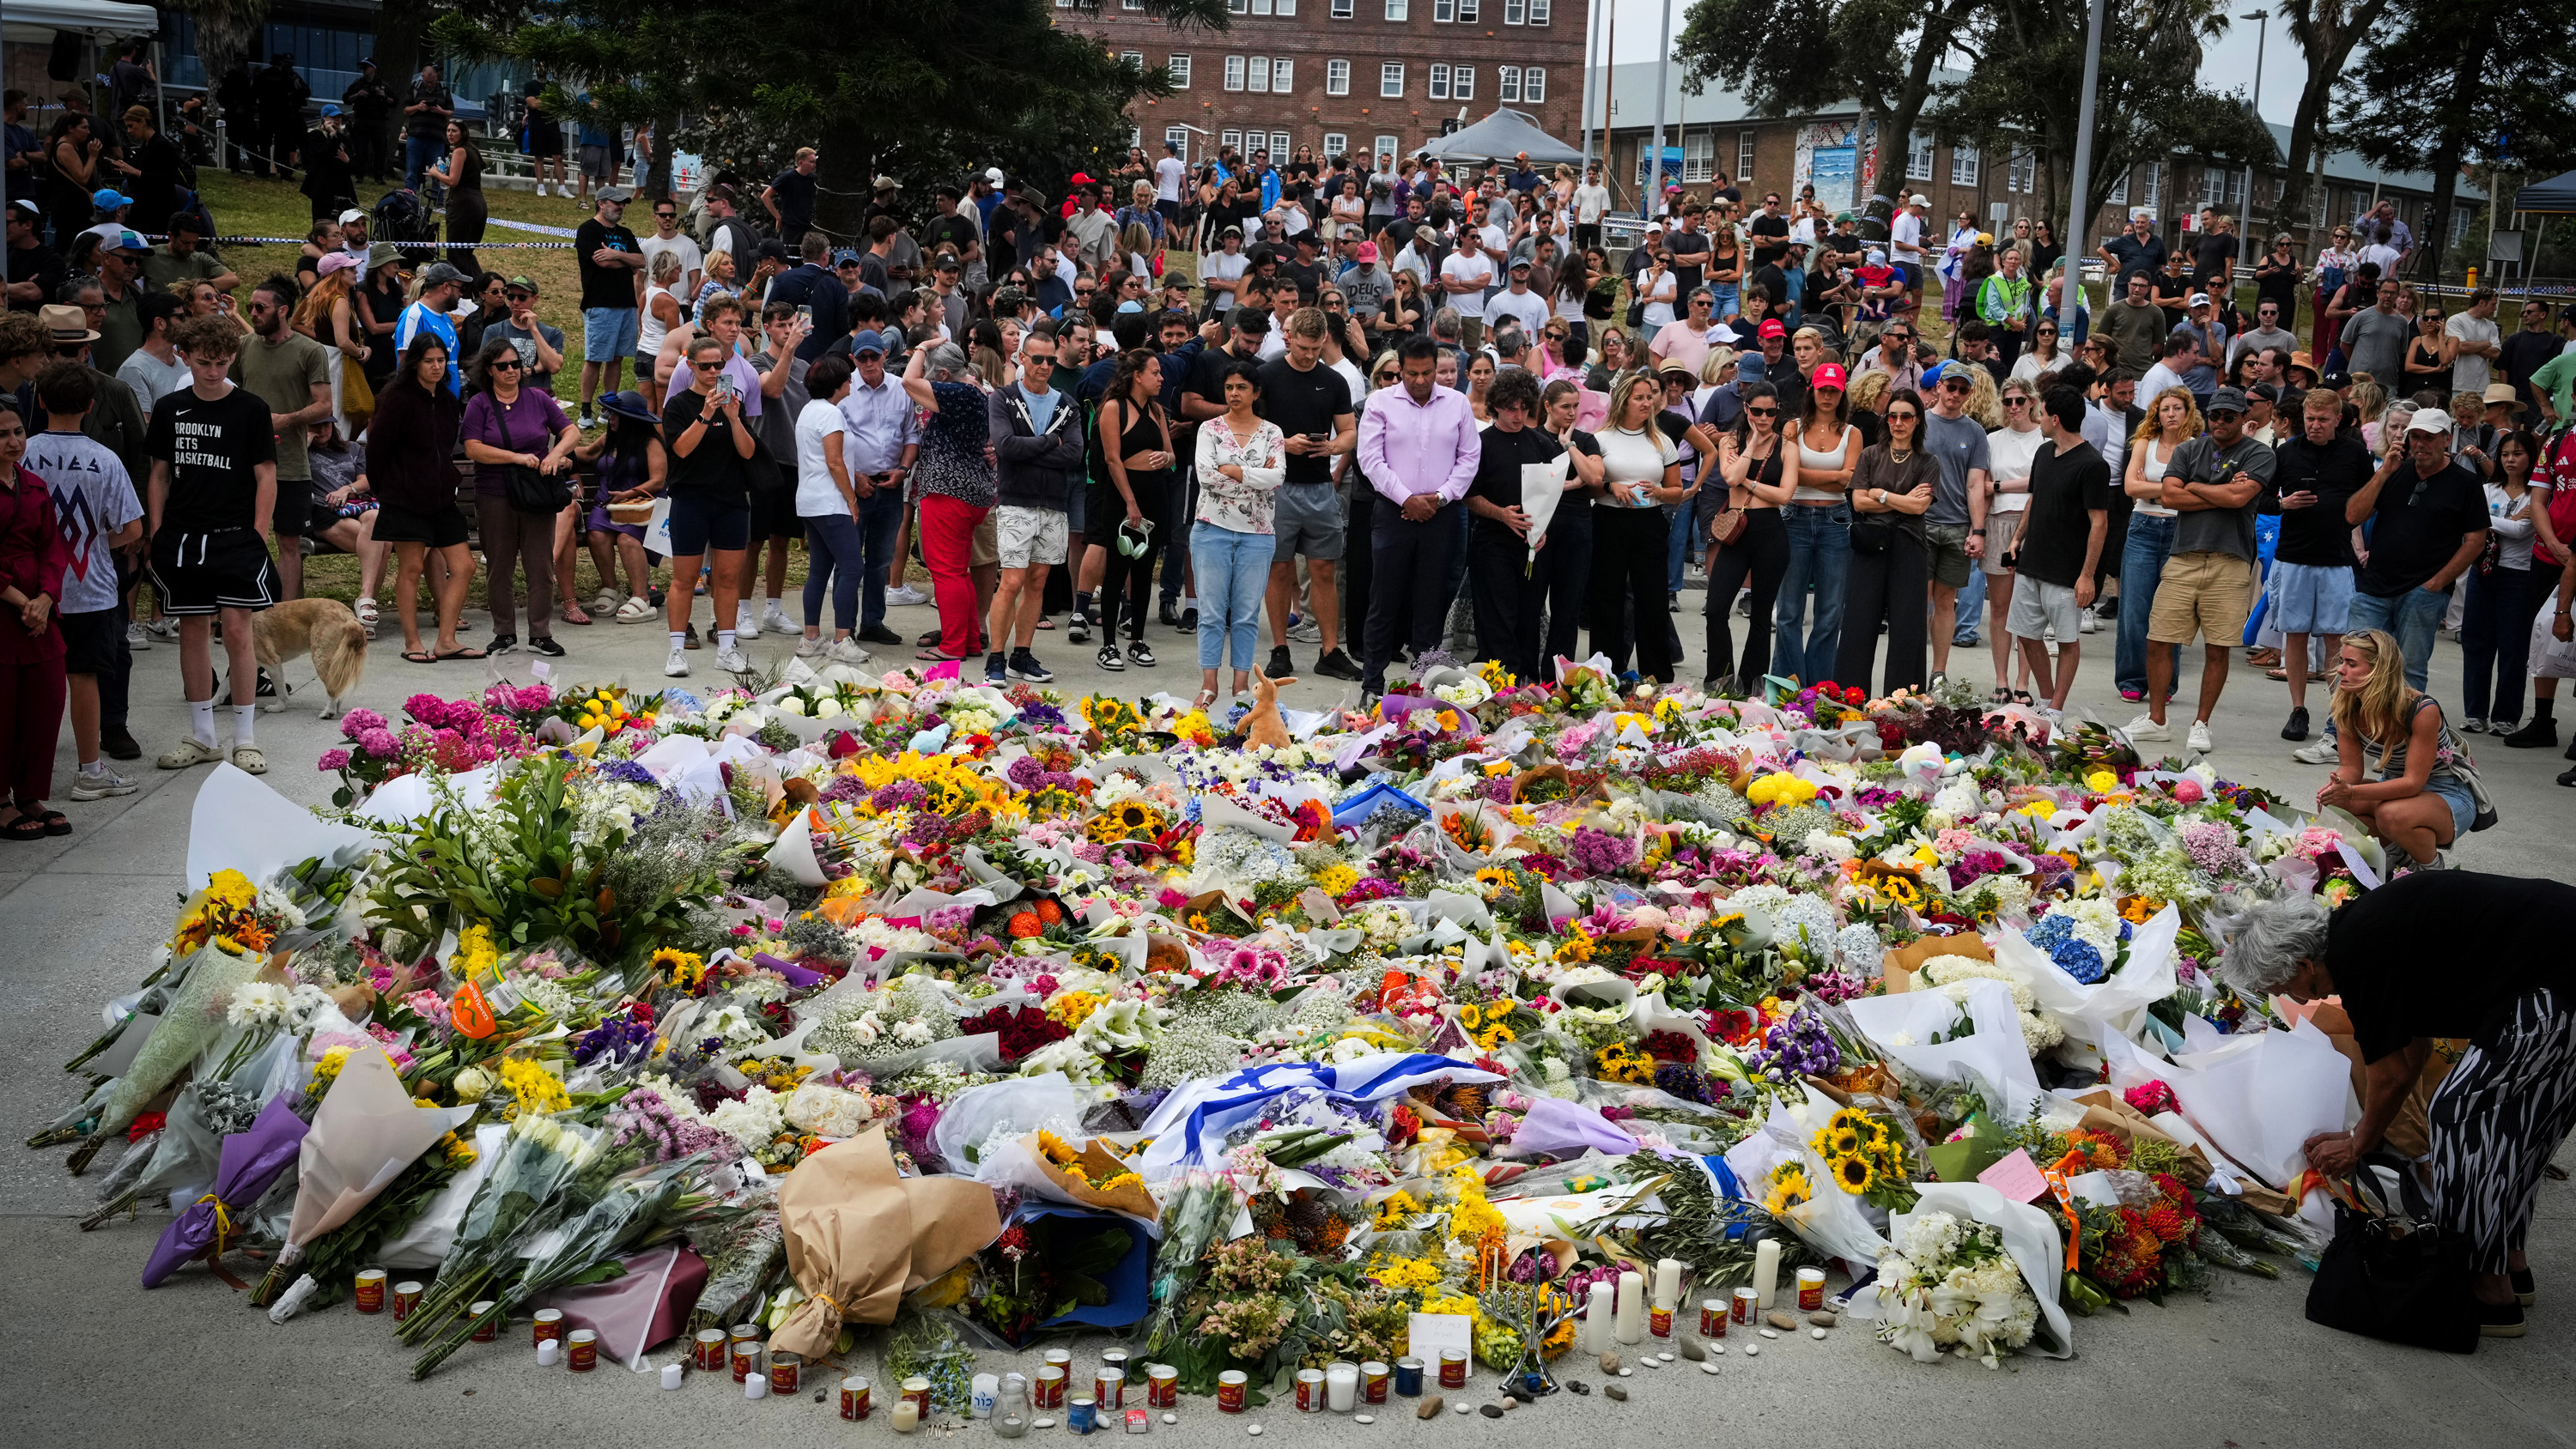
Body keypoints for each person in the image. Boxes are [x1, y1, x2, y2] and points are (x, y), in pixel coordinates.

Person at [2213, 872, 2576, 1340]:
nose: (2287, 998)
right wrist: (2361, 1135)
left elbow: (2387, 1074)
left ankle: (2487, 1290)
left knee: (2459, 1116)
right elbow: (2411, 1056)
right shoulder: (2366, 933)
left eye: (2278, 985)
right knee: (2517, 1126)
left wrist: (2356, 1145)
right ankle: (2507, 1262)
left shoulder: (2358, 956)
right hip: (2558, 970)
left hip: (2553, 985)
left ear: (2302, 964)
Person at [141, 317, 278, 774]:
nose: (213, 371)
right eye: (204, 362)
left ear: (232, 358)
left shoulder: (251, 409)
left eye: (221, 362)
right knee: (193, 631)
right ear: (185, 356)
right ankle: (203, 736)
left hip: (235, 535)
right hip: (181, 535)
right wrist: (157, 530)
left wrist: (258, 535)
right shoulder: (169, 407)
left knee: (239, 630)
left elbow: (266, 475)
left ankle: (246, 738)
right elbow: (159, 473)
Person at [2126, 385, 2273, 754]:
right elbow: (2170, 496)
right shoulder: (2190, 448)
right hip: (2184, 556)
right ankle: (2156, 719)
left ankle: (2201, 723)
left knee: (2219, 648)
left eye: (2229, 416)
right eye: (2216, 415)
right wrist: (2219, 490)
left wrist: (2196, 485)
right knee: (2158, 638)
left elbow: (2240, 498)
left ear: (2244, 419)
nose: (2220, 422)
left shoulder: (2259, 453)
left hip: (2230, 560)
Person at [24, 365, 140, 803]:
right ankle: (90, 770)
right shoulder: (105, 458)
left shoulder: (22, 452)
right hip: (89, 585)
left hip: (33, 589)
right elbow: (132, 529)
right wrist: (94, 541)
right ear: (90, 406)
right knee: (85, 676)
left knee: (34, 681)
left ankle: (25, 772)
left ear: (40, 402)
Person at [1358, 335, 1479, 696]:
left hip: (1440, 515)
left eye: (1428, 373)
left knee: (1431, 601)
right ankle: (1373, 684)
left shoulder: (1457, 403)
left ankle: (1427, 687)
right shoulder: (1380, 403)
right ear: (1401, 369)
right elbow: (1370, 459)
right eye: (1412, 373)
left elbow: (1469, 457)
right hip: (1394, 514)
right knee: (1384, 600)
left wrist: (1440, 498)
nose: (1421, 380)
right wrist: (1406, 498)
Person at [2343, 408, 2488, 693]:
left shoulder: (2466, 483)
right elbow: (2353, 516)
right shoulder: (2393, 471)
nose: (2420, 444)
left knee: (2410, 670)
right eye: (2415, 437)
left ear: (2446, 439)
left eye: (2429, 438)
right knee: (2354, 662)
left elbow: (2475, 542)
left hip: (2422, 593)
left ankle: (2403, 735)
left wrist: (2436, 584)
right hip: (2375, 587)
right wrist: (2384, 472)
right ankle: (2339, 732)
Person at [1255, 308, 1358, 680]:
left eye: (1316, 349)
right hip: (1278, 486)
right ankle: (1280, 648)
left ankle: (1329, 650)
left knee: (1324, 569)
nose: (1308, 355)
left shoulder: (1333, 381)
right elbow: (1248, 431)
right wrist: (1284, 443)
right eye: (1302, 348)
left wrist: (1332, 447)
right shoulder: (1266, 375)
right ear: (1289, 337)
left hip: (1318, 486)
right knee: (1280, 569)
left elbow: (1348, 431)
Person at [461, 335, 578, 658]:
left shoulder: (539, 398)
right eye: (503, 366)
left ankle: (540, 632)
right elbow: (472, 448)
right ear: (490, 370)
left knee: (540, 564)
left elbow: (571, 431)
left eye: (516, 364)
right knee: (499, 565)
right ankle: (504, 631)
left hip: (536, 494)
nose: (512, 370)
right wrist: (514, 457)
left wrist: (555, 455)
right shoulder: (480, 404)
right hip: (495, 493)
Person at [2266, 389, 2372, 745]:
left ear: (2337, 419)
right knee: (2294, 636)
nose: (2314, 425)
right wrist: (2285, 503)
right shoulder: (2286, 452)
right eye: (2310, 419)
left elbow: (2370, 499)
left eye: (2322, 420)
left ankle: (2338, 713)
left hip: (2337, 558)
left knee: (2336, 640)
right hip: (2293, 555)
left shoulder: (2355, 452)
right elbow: (2261, 498)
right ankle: (2298, 709)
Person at [225, 275, 334, 608]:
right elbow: (232, 392)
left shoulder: (309, 350)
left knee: (289, 542)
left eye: (260, 307)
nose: (254, 313)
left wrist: (284, 420)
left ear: (283, 310)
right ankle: (240, 607)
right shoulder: (245, 346)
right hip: (246, 464)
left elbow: (325, 404)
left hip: (290, 465)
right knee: (239, 538)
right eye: (250, 308)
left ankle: (287, 613)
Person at [2002, 385, 2111, 711]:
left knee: (2066, 641)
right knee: (2025, 634)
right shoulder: (2043, 454)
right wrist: (2016, 541)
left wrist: (2087, 576)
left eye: (2042, 412)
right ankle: (2047, 700)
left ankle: (2056, 710)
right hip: (2032, 563)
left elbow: (2100, 523)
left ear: (2056, 419)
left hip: (2067, 573)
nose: (2039, 419)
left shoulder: (2093, 464)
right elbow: (2034, 500)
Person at [982, 327, 1078, 685]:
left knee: (1037, 582)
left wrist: (1032, 449)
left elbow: (1074, 455)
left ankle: (1021, 656)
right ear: (1021, 359)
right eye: (1036, 359)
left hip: (1053, 505)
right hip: (1016, 502)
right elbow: (1005, 447)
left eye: (1050, 360)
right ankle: (995, 657)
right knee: (1011, 581)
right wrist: (1049, 441)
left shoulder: (1066, 403)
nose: (1043, 366)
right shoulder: (1003, 398)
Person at [660, 335, 760, 676]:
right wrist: (705, 414)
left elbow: (748, 452)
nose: (714, 370)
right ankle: (676, 651)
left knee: (729, 577)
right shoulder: (678, 405)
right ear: (691, 366)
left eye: (719, 364)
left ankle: (728, 648)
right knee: (684, 579)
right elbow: (682, 449)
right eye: (706, 365)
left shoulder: (734, 403)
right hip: (691, 499)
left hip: (731, 500)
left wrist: (733, 418)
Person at [1191, 357, 1285, 706]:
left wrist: (1233, 470)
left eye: (1241, 387)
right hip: (1211, 529)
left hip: (1257, 535)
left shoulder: (1272, 432)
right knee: (1212, 612)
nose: (1234, 393)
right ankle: (1209, 684)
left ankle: (1241, 686)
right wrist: (1252, 476)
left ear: (1255, 392)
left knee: (1246, 614)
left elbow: (1276, 479)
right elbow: (1206, 476)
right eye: (1229, 387)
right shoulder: (1209, 429)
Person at [1461, 367, 1563, 683]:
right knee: (1496, 616)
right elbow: (1468, 495)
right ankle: (1501, 683)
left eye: (1523, 407)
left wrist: (1544, 528)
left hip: (1533, 543)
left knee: (1530, 615)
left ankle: (1528, 681)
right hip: (1492, 542)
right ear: (1495, 407)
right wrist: (1501, 514)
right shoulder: (1480, 444)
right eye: (1510, 408)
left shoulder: (1541, 443)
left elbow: (1553, 491)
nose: (1518, 415)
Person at [1835, 387, 1938, 697]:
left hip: (1910, 547)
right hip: (1870, 545)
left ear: (1917, 420)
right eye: (1892, 415)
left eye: (1906, 416)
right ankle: (1849, 702)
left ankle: (1901, 706)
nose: (1898, 422)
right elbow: (1859, 502)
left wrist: (1879, 494)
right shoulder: (1870, 454)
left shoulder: (1928, 460)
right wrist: (1899, 499)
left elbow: (1920, 507)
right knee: (1857, 625)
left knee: (1908, 629)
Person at [899, 341, 996, 664]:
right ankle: (968, 640)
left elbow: (909, 381)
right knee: (959, 572)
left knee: (947, 572)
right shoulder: (974, 392)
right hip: (969, 491)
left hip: (949, 491)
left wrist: (923, 346)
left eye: (931, 374)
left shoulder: (961, 392)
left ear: (942, 374)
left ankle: (953, 646)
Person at [0, 395, 70, 836]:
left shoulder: (35, 486)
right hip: (5, 608)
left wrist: (44, 598)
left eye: (18, 432)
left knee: (43, 704)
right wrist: (20, 601)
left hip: (38, 611)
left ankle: (29, 794)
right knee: (2, 710)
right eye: (2, 435)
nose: (13, 441)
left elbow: (53, 548)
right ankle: (0, 799)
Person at [1774, 361, 1858, 685]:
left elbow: (1847, 483)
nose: (1827, 396)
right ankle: (1789, 683)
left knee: (1830, 612)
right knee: (1789, 610)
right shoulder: (1792, 428)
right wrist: (1834, 476)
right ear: (1812, 391)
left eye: (1834, 391)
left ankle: (1820, 684)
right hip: (1794, 517)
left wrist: (1805, 474)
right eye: (1822, 389)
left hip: (1835, 520)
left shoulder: (1853, 433)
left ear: (1842, 393)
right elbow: (1789, 477)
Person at [835, 330, 918, 646]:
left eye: (874, 356)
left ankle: (872, 621)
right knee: (849, 559)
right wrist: (853, 477)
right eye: (861, 358)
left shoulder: (901, 389)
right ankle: (846, 627)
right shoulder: (844, 390)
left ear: (885, 354)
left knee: (882, 559)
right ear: (852, 359)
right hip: (855, 485)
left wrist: (904, 470)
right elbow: (835, 440)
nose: (868, 363)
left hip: (891, 482)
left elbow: (911, 435)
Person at [2116, 385, 2198, 702]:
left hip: (2180, 530)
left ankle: (2164, 684)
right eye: (2165, 409)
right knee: (2135, 610)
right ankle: (2132, 679)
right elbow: (2129, 487)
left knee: (2171, 612)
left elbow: (2194, 492)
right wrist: (2169, 491)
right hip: (2143, 528)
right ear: (2156, 414)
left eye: (2177, 408)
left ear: (2187, 411)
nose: (2171, 414)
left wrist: (2150, 489)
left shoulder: (2194, 448)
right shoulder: (2144, 444)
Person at [1919, 364, 1993, 690]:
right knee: (1919, 598)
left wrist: (1978, 531)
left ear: (1970, 393)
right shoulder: (1918, 421)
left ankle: (1938, 671)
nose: (1956, 395)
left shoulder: (1975, 432)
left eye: (1963, 390)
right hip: (1919, 522)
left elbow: (1976, 484)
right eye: (1951, 387)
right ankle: (1911, 663)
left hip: (1956, 525)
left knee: (1946, 600)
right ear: (1939, 387)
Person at [1978, 376, 2047, 702]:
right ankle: (2002, 679)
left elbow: (2041, 481)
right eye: (2008, 402)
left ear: (2032, 401)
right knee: (2000, 608)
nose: (2014, 407)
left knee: (2028, 608)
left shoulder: (2044, 438)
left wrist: (2002, 485)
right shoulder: (1992, 440)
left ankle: (2023, 682)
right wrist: (1977, 528)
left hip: (2034, 523)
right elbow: (1983, 487)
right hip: (1998, 522)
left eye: (2020, 400)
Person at [574, 188, 646, 427]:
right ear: (601, 203)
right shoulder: (588, 230)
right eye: (616, 203)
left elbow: (642, 261)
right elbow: (601, 262)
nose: (620, 207)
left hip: (627, 303)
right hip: (600, 303)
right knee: (595, 358)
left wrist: (616, 254)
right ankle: (585, 411)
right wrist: (627, 262)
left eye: (623, 204)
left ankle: (609, 407)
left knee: (616, 359)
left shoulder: (625, 233)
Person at [400, 63, 453, 191]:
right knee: (412, 170)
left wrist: (441, 111)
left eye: (432, 81)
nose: (430, 84)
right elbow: (406, 110)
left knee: (438, 171)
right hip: (416, 136)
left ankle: (437, 198)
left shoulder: (444, 90)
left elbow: (451, 112)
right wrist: (418, 107)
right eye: (427, 81)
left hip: (436, 138)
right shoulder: (415, 88)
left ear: (437, 77)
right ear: (422, 78)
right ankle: (410, 195)